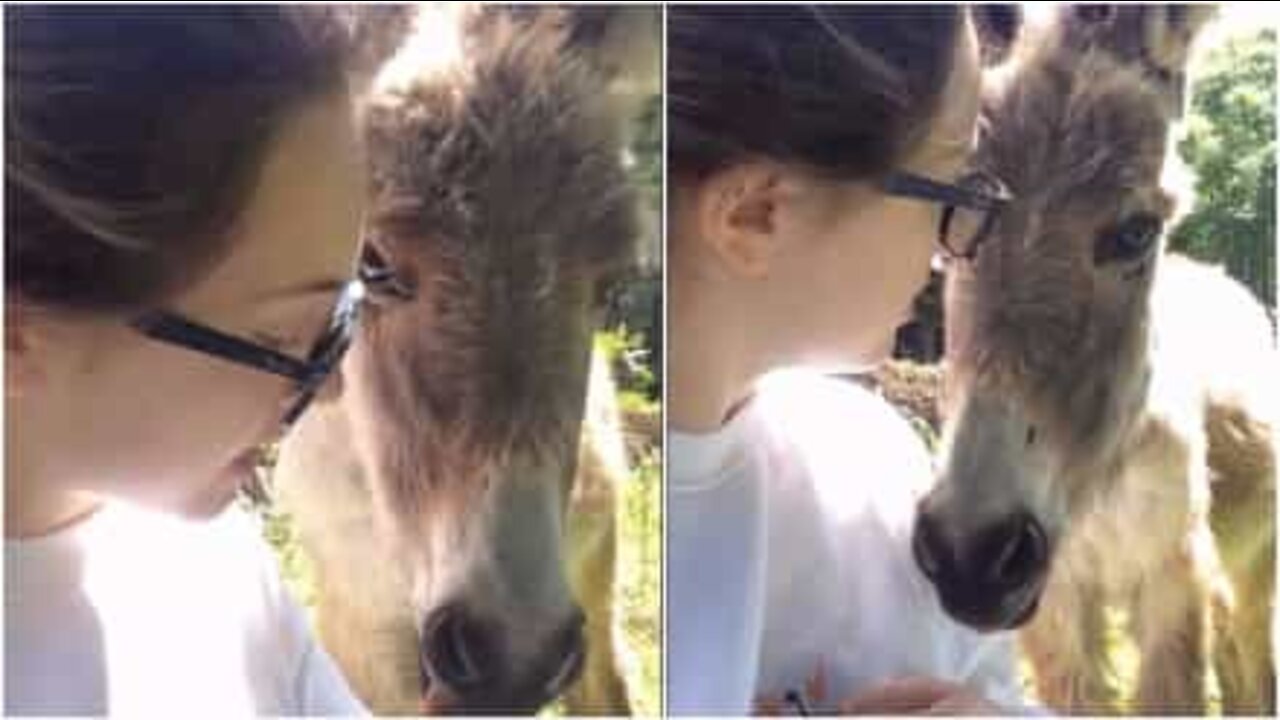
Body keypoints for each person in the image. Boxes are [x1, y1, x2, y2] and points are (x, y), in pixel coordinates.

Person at [5, 6, 370, 714]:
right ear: (18, 333)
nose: (332, 390)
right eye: (284, 338)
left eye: (343, 315)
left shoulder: (219, 582)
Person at [667, 5, 1030, 715]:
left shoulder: (876, 468)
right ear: (755, 214)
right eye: (952, 183)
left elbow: (997, 694)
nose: (954, 248)